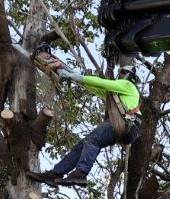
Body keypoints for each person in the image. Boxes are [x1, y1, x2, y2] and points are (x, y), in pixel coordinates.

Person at [31, 56, 141, 188]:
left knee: (93, 140)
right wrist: (73, 76)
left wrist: (77, 77)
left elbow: (102, 83)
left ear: (130, 76)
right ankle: (55, 173)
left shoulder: (128, 85)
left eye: (123, 73)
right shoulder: (118, 94)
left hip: (126, 124)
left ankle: (81, 173)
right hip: (125, 128)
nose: (120, 75)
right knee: (82, 146)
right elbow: (95, 88)